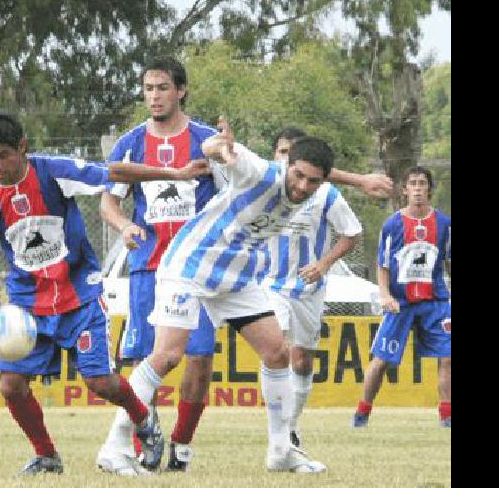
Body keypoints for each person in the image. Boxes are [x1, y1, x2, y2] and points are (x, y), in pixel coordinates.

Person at [0, 111, 211, 475]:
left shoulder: (54, 172)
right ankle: (47, 455)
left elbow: (116, 173)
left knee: (99, 382)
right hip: (28, 305)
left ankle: (143, 421)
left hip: (79, 297)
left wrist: (173, 174)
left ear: (23, 148)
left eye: (3, 156)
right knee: (11, 385)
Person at [102, 118, 337, 474]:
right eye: (298, 176)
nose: (303, 187)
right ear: (286, 166)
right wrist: (221, 147)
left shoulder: (313, 186)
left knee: (277, 353)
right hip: (191, 266)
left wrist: (363, 180)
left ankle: (280, 450)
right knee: (166, 356)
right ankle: (115, 446)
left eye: (313, 181)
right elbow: (215, 149)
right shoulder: (258, 171)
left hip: (237, 275)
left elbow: (327, 175)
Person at [97, 55, 226, 474]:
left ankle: (182, 446)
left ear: (181, 91)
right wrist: (124, 226)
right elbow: (108, 202)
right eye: (149, 89)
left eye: (163, 88)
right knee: (146, 358)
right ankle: (144, 443)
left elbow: (232, 194)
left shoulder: (206, 141)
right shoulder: (130, 143)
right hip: (148, 266)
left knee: (199, 358)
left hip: (196, 269)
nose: (154, 96)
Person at [262, 127, 368, 450]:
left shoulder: (325, 195)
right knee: (276, 349)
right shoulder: (266, 186)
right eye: (281, 152)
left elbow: (352, 233)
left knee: (302, 361)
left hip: (309, 290)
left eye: (291, 152)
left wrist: (323, 264)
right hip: (270, 283)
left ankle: (291, 426)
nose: (286, 158)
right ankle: (277, 433)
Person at [353, 166, 451, 428]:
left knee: (448, 356)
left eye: (422, 183)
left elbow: (448, 261)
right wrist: (385, 295)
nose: (418, 189)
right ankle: (362, 413)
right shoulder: (393, 224)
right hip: (401, 302)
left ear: (430, 189)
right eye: (413, 183)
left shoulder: (444, 224)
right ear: (405, 190)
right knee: (382, 360)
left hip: (436, 302)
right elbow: (383, 264)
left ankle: (447, 416)